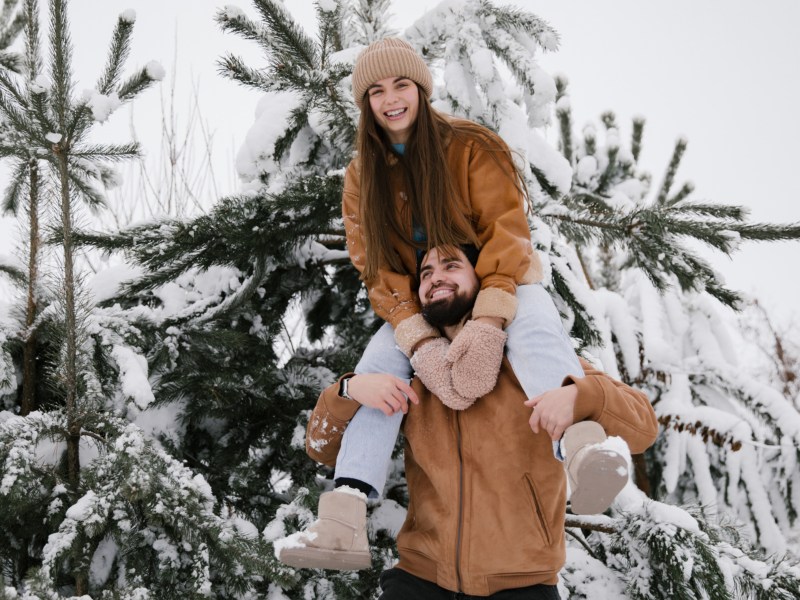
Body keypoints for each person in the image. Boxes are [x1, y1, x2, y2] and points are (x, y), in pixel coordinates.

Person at [280, 246, 658, 598]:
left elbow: (643, 427)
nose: (434, 278)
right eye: (425, 272)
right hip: (420, 578)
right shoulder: (408, 370)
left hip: (522, 583)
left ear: (482, 280)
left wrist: (582, 395)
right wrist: (350, 389)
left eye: (451, 265)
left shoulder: (532, 362)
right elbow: (321, 447)